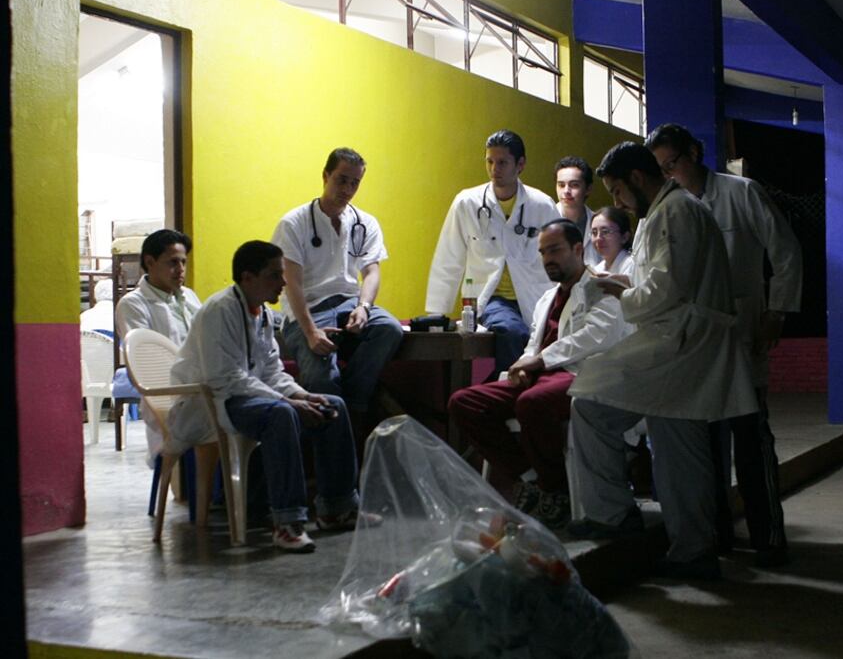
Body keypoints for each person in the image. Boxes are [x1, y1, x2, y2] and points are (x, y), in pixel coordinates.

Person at [566, 142, 757, 580]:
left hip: (683, 344)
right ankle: (690, 548)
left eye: (616, 191)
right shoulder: (668, 212)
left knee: (593, 401)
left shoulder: (677, 212)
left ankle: (621, 517)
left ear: (636, 178)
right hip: (681, 342)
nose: (616, 203)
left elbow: (667, 290)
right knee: (676, 449)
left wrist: (620, 291)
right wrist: (626, 282)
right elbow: (664, 279)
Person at [646, 123, 802, 566]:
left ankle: (769, 539)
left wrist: (776, 312)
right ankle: (718, 540)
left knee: (752, 439)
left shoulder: (741, 194)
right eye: (660, 169)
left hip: (743, 331)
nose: (669, 174)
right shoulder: (668, 210)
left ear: (695, 152)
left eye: (672, 163)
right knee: (706, 446)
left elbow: (786, 252)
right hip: (697, 341)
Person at [169, 241, 376, 553]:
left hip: (246, 396)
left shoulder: (262, 313)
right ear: (247, 277)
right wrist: (289, 402)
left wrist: (304, 395)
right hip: (214, 403)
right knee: (282, 415)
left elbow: (271, 370)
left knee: (333, 405)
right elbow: (224, 377)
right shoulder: (219, 310)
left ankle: (337, 507)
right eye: (274, 275)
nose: (283, 282)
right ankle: (287, 523)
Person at [448, 219, 626, 529]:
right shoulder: (548, 298)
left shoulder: (602, 287)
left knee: (532, 403)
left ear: (576, 249)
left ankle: (554, 488)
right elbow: (534, 343)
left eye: (555, 250)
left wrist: (540, 361)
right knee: (465, 402)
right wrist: (522, 365)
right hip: (542, 374)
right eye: (543, 252)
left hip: (579, 374)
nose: (547, 259)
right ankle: (530, 478)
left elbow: (598, 335)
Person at [272, 147, 403, 426]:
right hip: (308, 308)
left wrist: (364, 308)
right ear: (325, 176)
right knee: (323, 379)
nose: (348, 189)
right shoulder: (294, 223)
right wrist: (310, 331)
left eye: (355, 182)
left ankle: (353, 406)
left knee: (388, 329)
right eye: (342, 180)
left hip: (348, 302)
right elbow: (291, 282)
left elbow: (371, 272)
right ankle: (330, 448)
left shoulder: (364, 223)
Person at [426, 130, 559, 376]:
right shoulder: (467, 202)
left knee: (553, 339)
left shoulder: (542, 205)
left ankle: (501, 389)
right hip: (491, 299)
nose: (494, 169)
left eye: (502, 162)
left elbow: (561, 256)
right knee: (513, 332)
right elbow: (449, 257)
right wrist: (437, 313)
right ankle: (505, 392)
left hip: (536, 297)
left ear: (520, 164)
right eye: (489, 161)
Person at [115, 229, 202, 463]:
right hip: (168, 399)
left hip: (199, 389)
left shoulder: (189, 297)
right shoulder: (133, 305)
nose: (181, 269)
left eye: (183, 262)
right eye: (173, 262)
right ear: (150, 262)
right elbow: (150, 363)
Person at [554, 156, 602, 267]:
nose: (566, 191)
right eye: (561, 185)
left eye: (574, 185)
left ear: (588, 189)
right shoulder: (543, 220)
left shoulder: (599, 224)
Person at [588, 206, 635, 277]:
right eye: (594, 233)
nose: (598, 238)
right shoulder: (597, 270)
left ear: (625, 237)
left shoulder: (633, 266)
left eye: (605, 232)